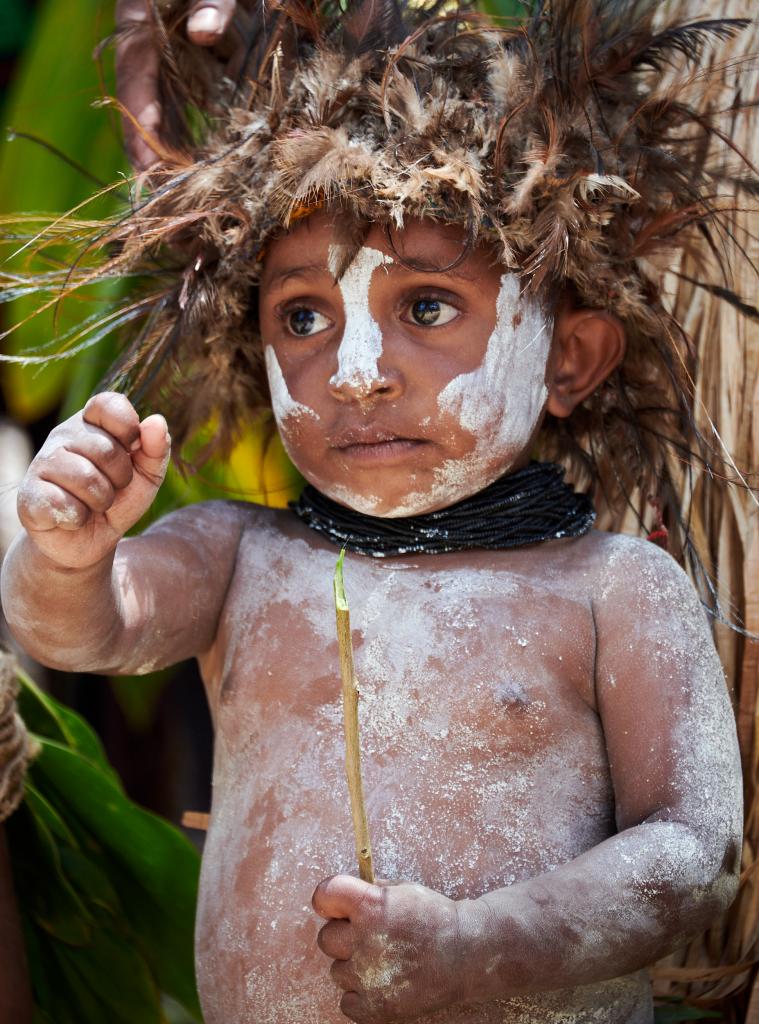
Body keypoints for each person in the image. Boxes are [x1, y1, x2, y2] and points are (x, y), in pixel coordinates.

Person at [0, 0, 752, 1020]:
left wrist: (483, 944)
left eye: (428, 306)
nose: (352, 373)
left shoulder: (612, 587)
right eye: (302, 316)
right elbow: (84, 626)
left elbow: (692, 850)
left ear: (571, 357)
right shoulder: (241, 555)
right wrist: (69, 550)